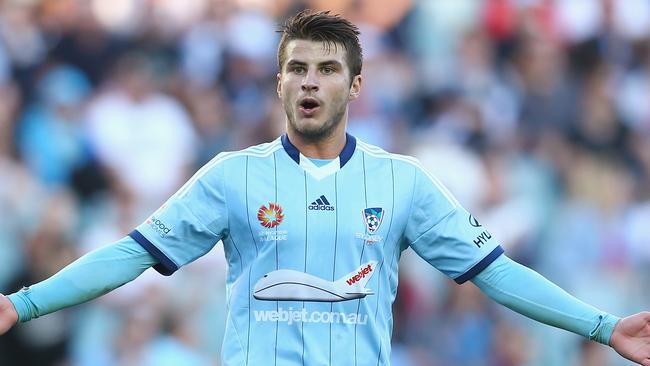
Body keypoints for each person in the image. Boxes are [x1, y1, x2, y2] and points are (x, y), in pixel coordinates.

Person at [1, 10, 650, 366]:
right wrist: (23, 305)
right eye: (297, 69)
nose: (310, 82)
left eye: (328, 69)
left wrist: (602, 326)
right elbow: (131, 253)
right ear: (280, 84)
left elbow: (498, 274)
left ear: (356, 86)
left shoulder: (404, 181)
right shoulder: (233, 175)